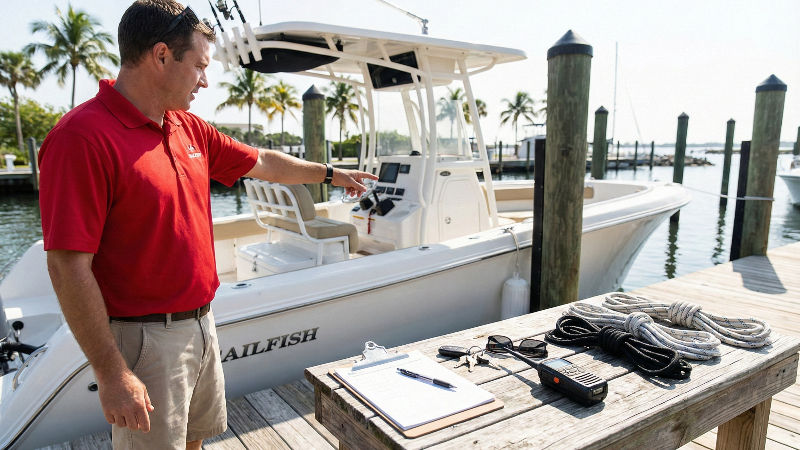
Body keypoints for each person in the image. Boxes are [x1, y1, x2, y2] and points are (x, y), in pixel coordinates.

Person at [38, 1, 377, 448]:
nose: (205, 79)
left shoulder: (187, 127)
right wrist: (113, 372)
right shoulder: (81, 138)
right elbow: (67, 266)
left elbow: (265, 163)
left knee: (197, 441)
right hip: (144, 342)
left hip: (202, 325)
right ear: (161, 56)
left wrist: (331, 175)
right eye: (199, 65)